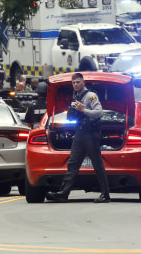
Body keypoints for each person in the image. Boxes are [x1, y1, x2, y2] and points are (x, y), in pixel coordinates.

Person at [46, 73, 110, 203]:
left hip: (91, 133)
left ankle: (105, 194)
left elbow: (99, 112)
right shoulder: (75, 96)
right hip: (80, 133)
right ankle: (63, 193)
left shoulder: (91, 96)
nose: (75, 84)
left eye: (78, 82)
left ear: (83, 82)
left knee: (97, 164)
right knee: (73, 163)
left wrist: (83, 110)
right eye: (74, 82)